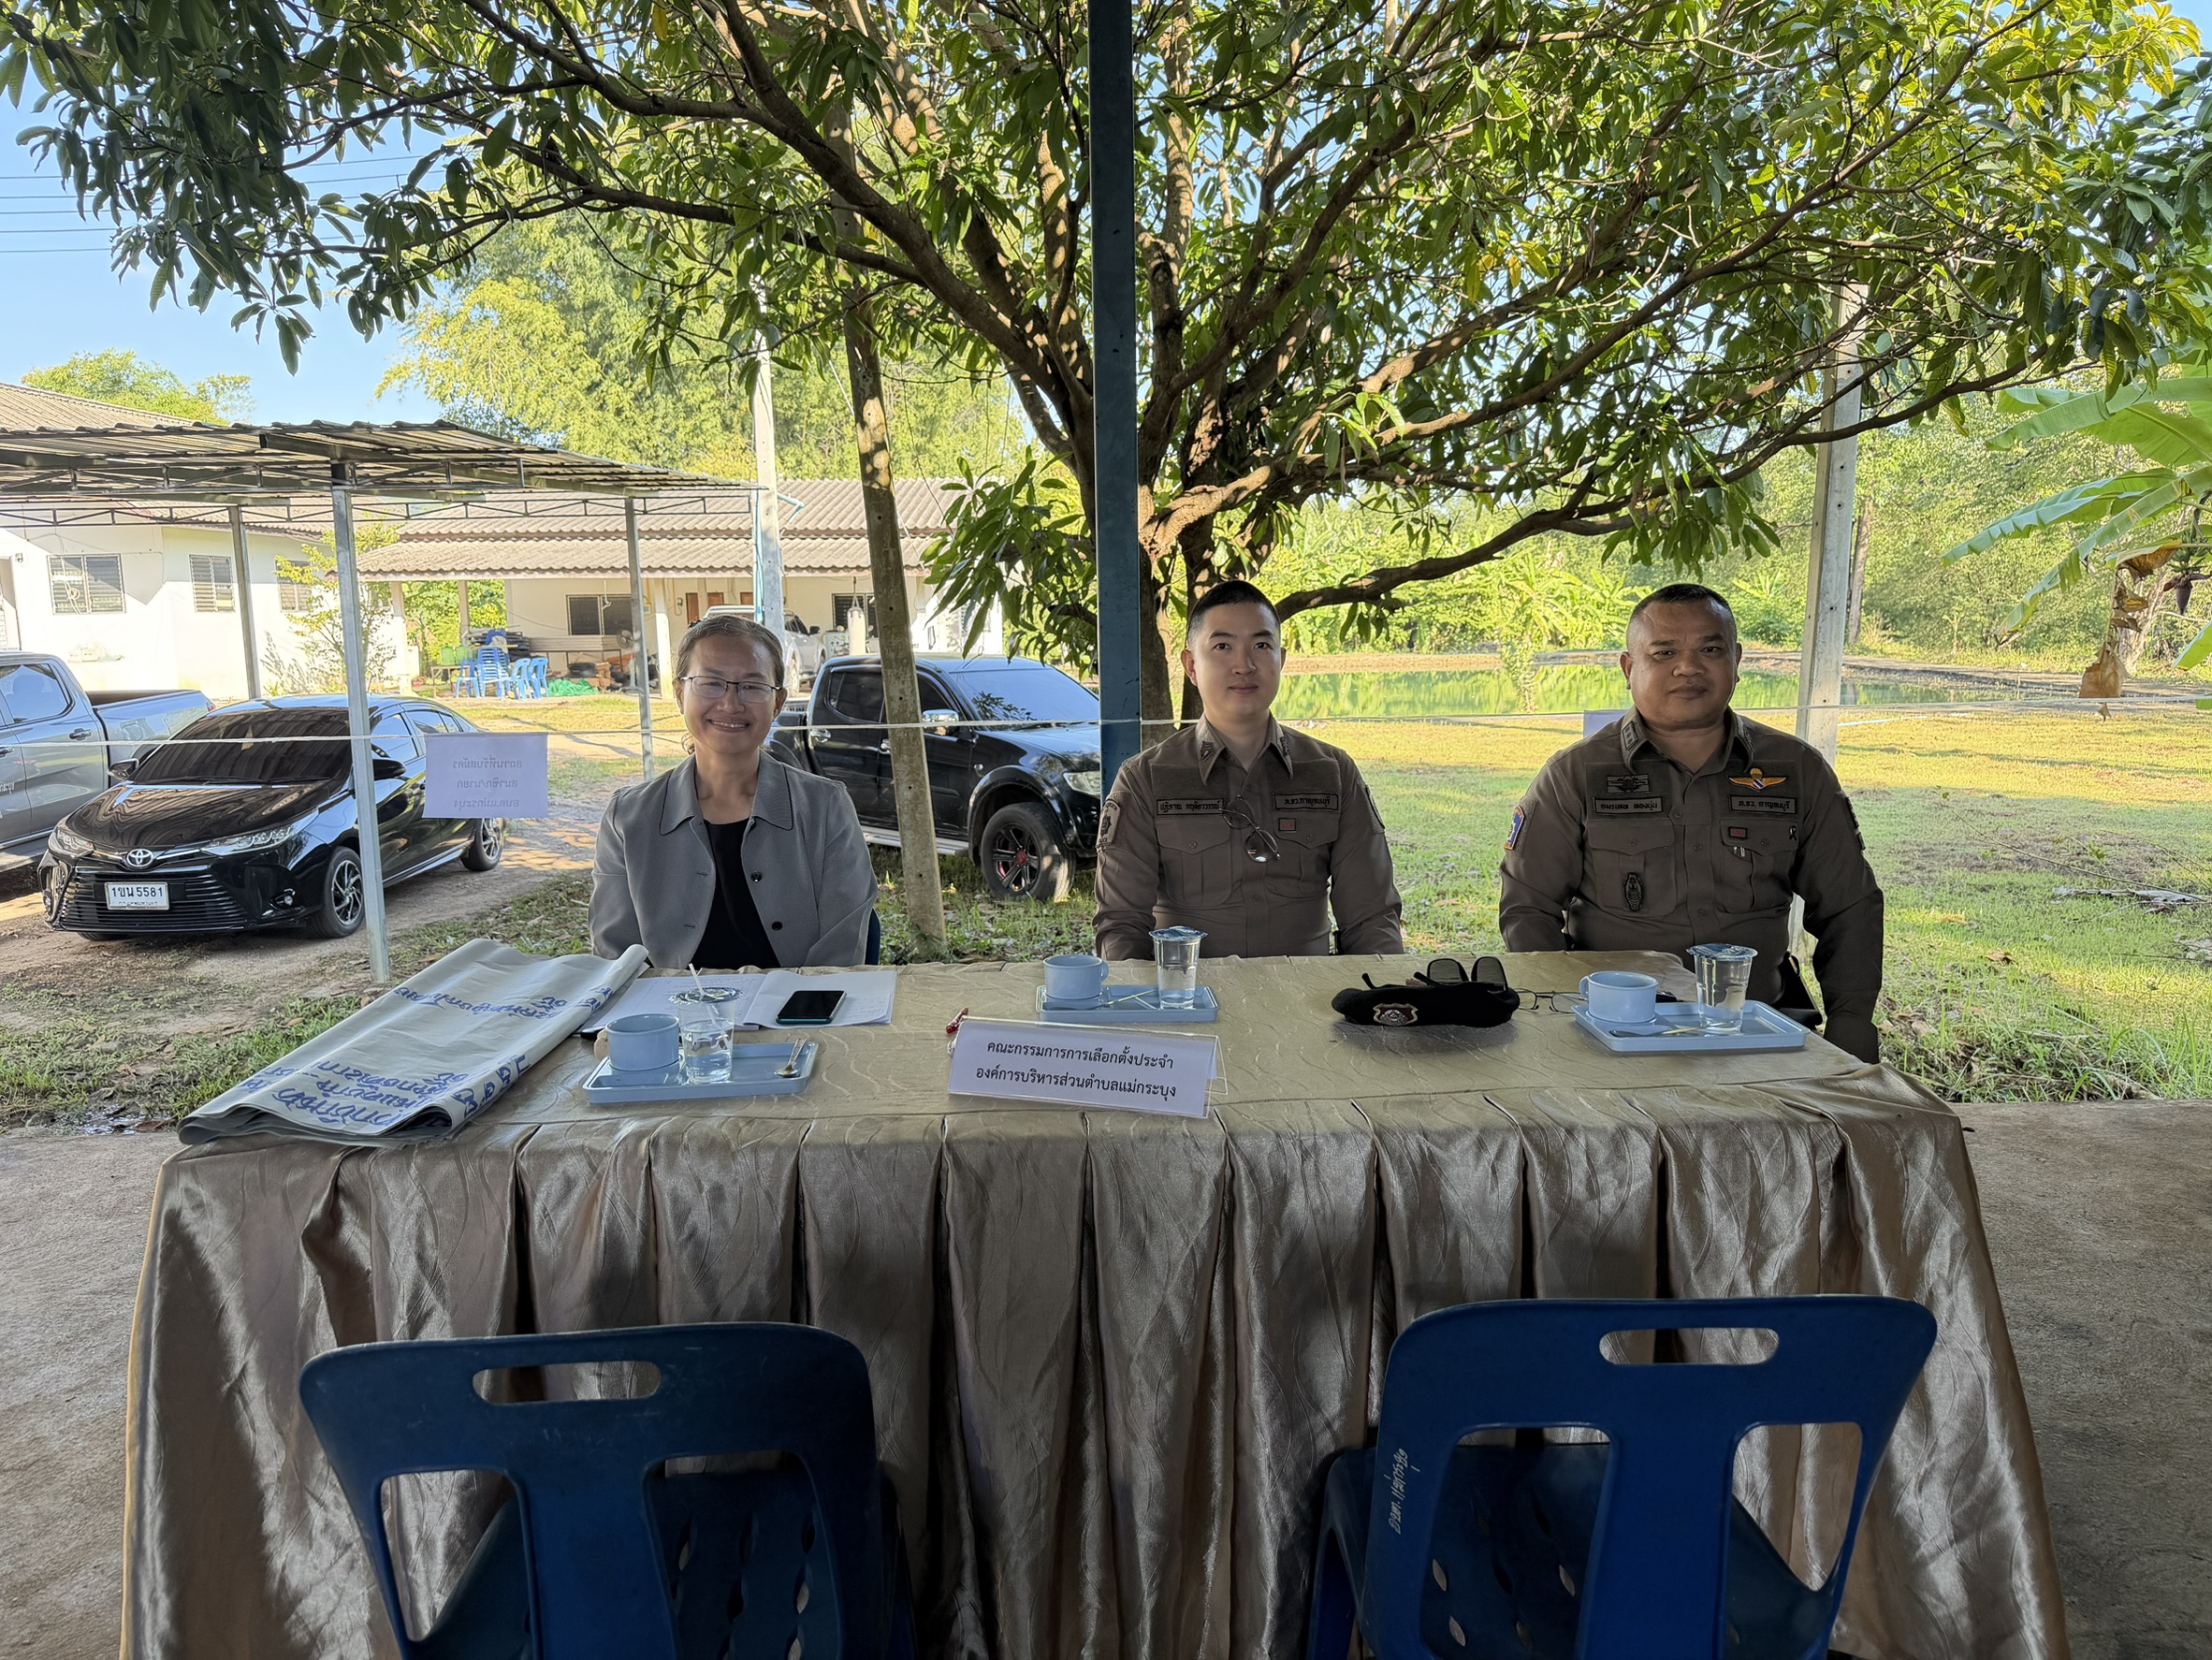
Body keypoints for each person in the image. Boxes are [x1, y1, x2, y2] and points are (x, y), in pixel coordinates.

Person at [1497, 582, 1885, 1062]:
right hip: (1617, 1032)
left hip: (1761, 1027)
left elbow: (1849, 907)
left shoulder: (1797, 770)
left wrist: (1852, 1020)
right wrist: (1564, 1015)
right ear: (1629, 668)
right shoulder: (1576, 774)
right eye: (1664, 652)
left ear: (1736, 660)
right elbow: (1529, 909)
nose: (1688, 667)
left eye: (1710, 649)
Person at [1093, 579, 1404, 960]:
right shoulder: (1146, 780)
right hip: (1189, 994)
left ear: (1281, 660)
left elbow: (1372, 919)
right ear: (1191, 665)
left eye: (1261, 646)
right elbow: (1121, 927)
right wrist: (1144, 997)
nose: (1244, 666)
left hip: (1307, 994)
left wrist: (1383, 991)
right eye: (1223, 647)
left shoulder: (1332, 773)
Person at [591, 612, 876, 968]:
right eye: (710, 683)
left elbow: (841, 955)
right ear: (680, 694)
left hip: (799, 1003)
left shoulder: (827, 808)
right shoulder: (627, 819)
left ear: (778, 703)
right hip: (666, 1005)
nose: (730, 703)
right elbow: (616, 961)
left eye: (752, 686)